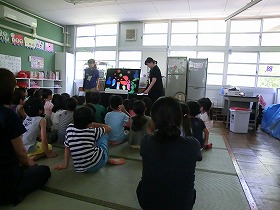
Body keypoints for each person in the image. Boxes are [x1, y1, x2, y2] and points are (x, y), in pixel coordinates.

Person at [136, 96, 202, 210]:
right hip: (182, 204)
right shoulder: (193, 144)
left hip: (149, 203)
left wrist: (151, 132)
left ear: (153, 120)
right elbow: (198, 157)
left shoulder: (146, 141)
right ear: (180, 118)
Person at [0, 68, 51, 205]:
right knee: (44, 170)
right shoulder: (8, 115)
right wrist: (29, 164)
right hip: (7, 179)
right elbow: (21, 153)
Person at [54, 107, 113, 173]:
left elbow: (67, 147)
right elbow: (109, 128)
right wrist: (93, 124)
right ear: (90, 121)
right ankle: (105, 158)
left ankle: (99, 156)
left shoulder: (69, 128)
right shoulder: (92, 131)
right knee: (103, 134)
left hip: (80, 167)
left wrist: (66, 164)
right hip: (97, 164)